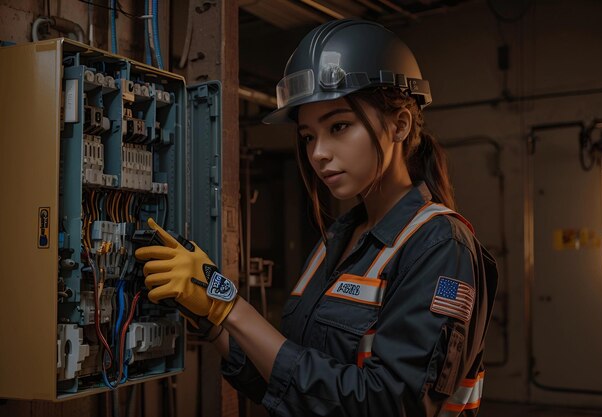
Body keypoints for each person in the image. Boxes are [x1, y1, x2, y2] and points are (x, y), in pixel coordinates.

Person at [136, 19, 498, 417]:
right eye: (308, 136)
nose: (318, 153)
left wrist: (230, 306)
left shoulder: (440, 246)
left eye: (339, 126)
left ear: (400, 125)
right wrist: (210, 316)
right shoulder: (339, 241)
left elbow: (388, 405)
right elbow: (280, 378)